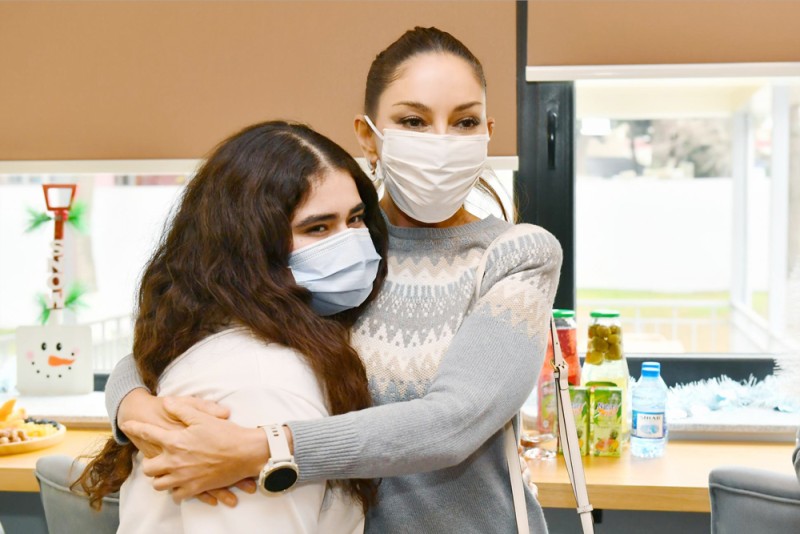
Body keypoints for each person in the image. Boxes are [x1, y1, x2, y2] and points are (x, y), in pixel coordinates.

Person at [106, 27, 562, 533]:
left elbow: (456, 420)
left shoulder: (518, 254)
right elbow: (200, 328)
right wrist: (132, 405)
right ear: (368, 135)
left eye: (464, 122)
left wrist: (266, 448)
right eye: (413, 120)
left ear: (487, 133)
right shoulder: (338, 244)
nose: (440, 142)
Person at [75, 121, 389, 533]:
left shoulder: (230, 336)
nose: (350, 244)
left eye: (356, 218)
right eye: (318, 227)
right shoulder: (265, 384)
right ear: (249, 244)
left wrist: (127, 398)